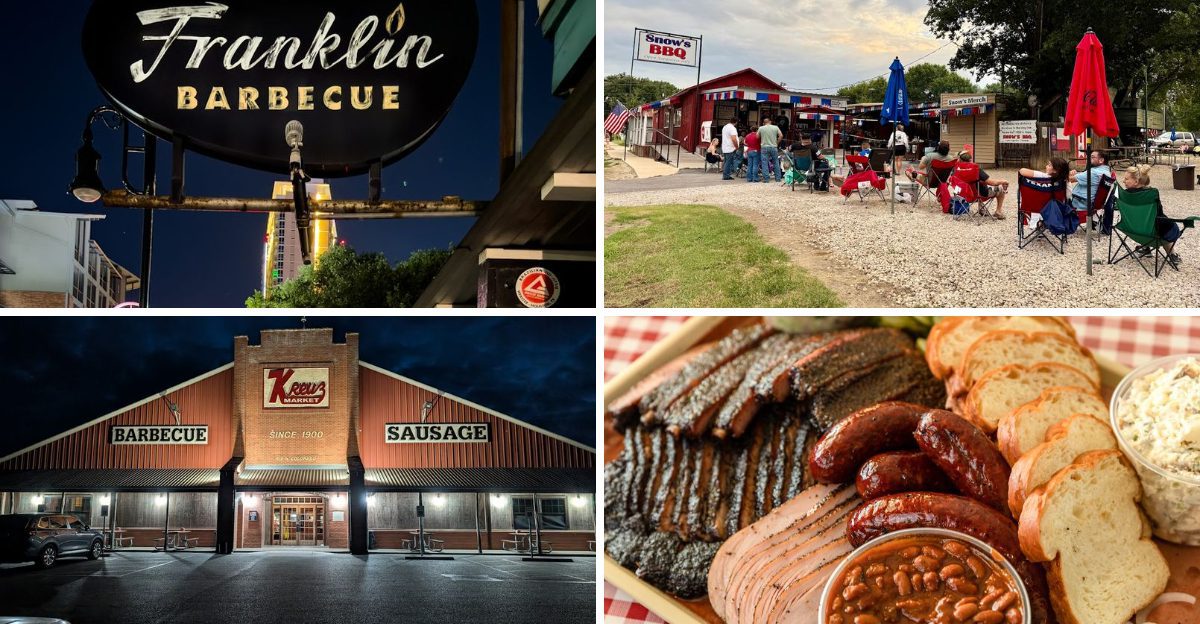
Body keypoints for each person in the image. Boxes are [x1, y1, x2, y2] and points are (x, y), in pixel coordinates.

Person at [1122, 164, 1183, 263]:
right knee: (1162, 223)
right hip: (1154, 232)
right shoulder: (1151, 194)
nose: (1123, 181)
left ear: (1136, 181)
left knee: (1146, 221)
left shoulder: (1124, 195)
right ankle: (1172, 254)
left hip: (1133, 229)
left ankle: (1145, 247)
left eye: (1126, 179)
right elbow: (1159, 213)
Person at [956, 151, 1010, 219]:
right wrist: (1003, 181)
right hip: (980, 195)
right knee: (1000, 188)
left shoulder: (956, 170)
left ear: (960, 159)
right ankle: (998, 212)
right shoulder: (976, 169)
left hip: (963, 195)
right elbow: (992, 182)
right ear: (970, 159)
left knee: (978, 184)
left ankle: (981, 208)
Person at [758, 117, 784, 183]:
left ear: (764, 122)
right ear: (770, 121)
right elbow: (781, 136)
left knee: (764, 163)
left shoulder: (761, 128)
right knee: (776, 162)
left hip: (764, 147)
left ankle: (766, 179)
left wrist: (763, 137)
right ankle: (778, 178)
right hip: (774, 147)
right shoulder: (776, 127)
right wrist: (777, 143)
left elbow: (757, 137)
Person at [721, 116, 740, 180]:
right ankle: (726, 175)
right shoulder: (732, 128)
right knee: (728, 162)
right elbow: (734, 139)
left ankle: (726, 174)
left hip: (725, 147)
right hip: (730, 148)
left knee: (726, 161)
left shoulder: (725, 127)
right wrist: (737, 147)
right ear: (736, 122)